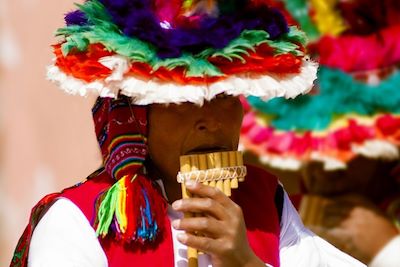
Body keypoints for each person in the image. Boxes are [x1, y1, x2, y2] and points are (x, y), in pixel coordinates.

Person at [10, 0, 364, 266]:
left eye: (224, 97)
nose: (210, 120)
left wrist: (246, 262)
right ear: (138, 118)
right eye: (183, 101)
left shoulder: (267, 200)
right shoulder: (74, 222)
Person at [240, 0, 400, 266]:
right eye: (310, 144)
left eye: (345, 144)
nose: (324, 166)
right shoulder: (277, 214)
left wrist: (387, 249)